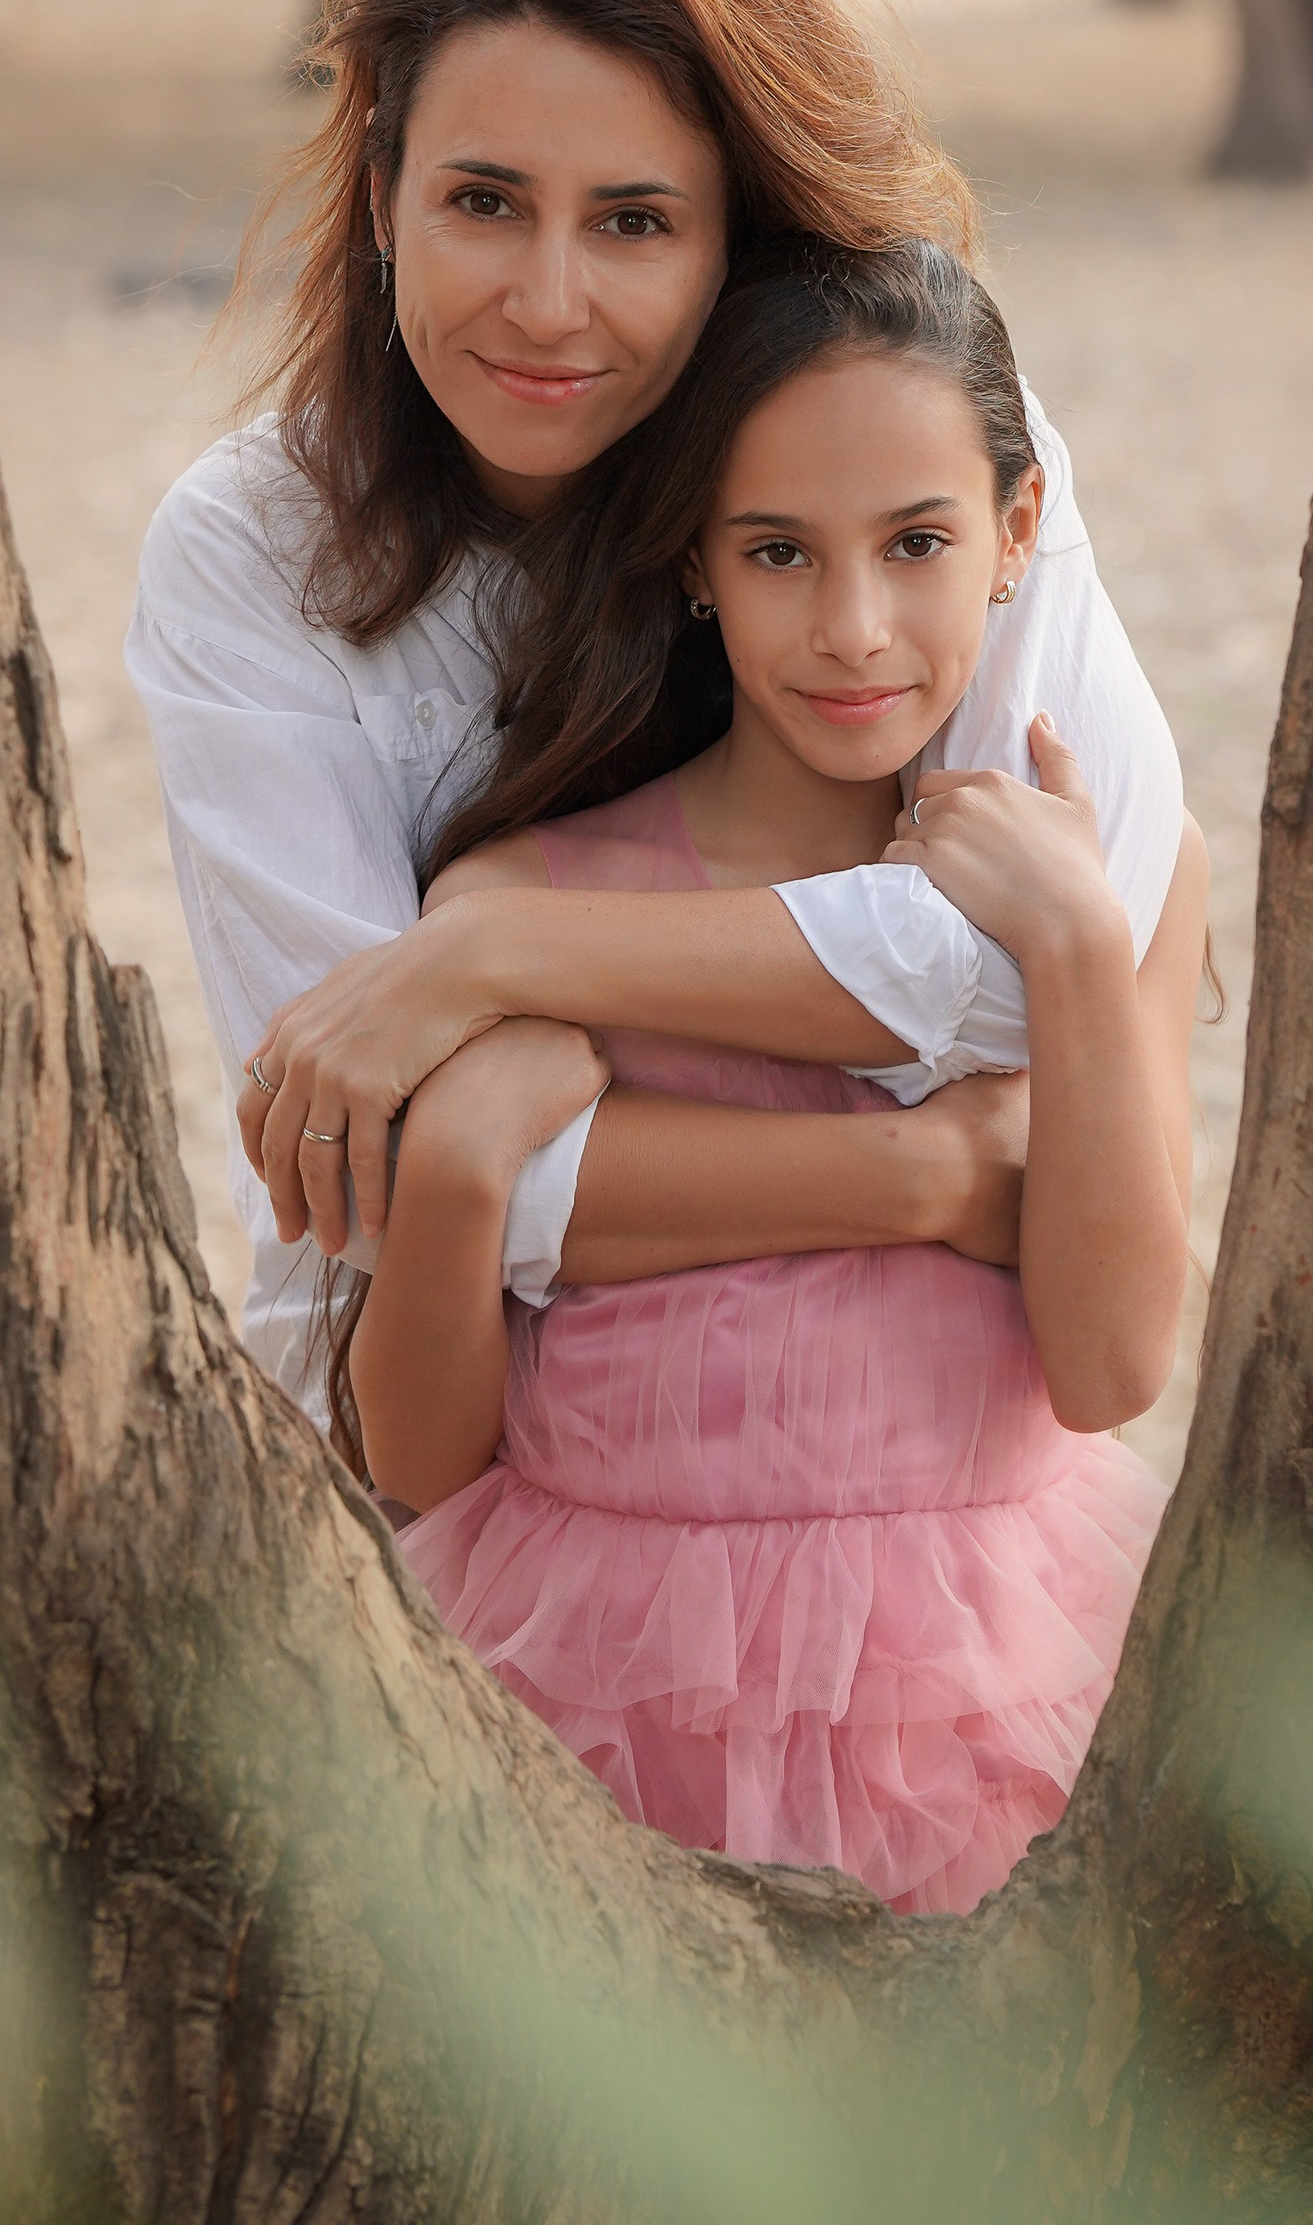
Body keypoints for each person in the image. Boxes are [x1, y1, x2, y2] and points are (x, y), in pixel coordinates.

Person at [126, 0, 1185, 1420]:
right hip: (451, 1460)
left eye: (634, 222)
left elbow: (1044, 953)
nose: (549, 303)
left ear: (735, 233)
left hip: (890, 1434)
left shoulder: (939, 453)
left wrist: (491, 954)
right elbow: (386, 1148)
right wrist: (927, 1166)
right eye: (485, 201)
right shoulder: (247, 552)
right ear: (380, 199)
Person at [339, 243, 1195, 1916]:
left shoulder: (1100, 889)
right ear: (693, 562)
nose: (855, 627)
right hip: (590, 1672)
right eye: (780, 551)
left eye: (921, 543)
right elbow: (425, 1459)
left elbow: (1109, 1366)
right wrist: (452, 1181)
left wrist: (1086, 949)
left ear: (1019, 536)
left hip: (984, 1672)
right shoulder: (526, 903)